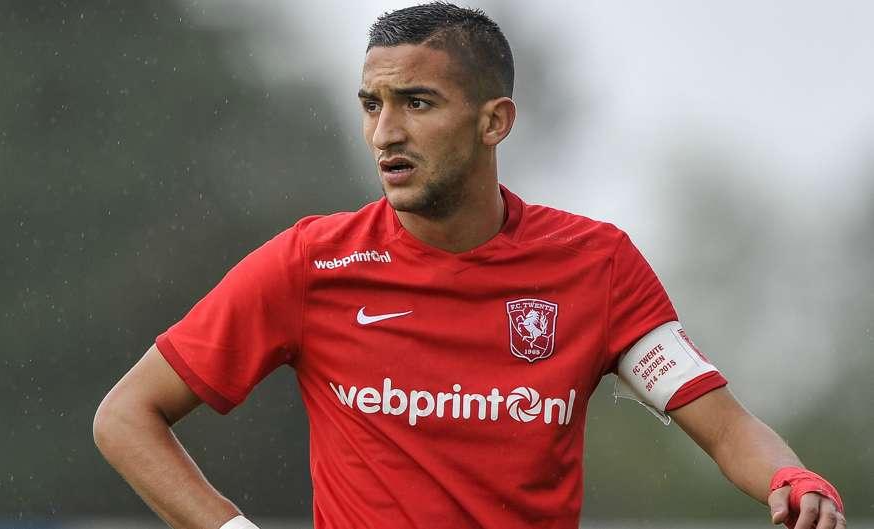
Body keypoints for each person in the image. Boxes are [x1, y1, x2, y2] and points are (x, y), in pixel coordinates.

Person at [93, 4, 847, 529]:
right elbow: (126, 416)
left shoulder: (596, 265)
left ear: (495, 121)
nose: (385, 132)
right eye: (372, 104)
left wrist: (791, 478)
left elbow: (725, 427)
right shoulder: (311, 262)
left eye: (417, 102)